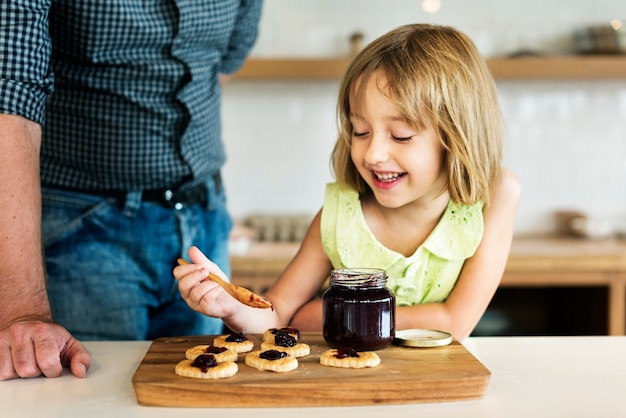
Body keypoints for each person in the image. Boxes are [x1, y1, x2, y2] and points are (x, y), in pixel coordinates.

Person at [174, 23, 520, 341]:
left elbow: (455, 322)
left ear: (457, 136)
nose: (373, 154)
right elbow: (277, 316)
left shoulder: (496, 195)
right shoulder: (340, 215)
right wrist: (232, 307)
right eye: (360, 131)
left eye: (400, 136)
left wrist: (321, 315)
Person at [0, 1, 263, 380]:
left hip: (202, 215)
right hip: (85, 227)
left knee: (200, 388)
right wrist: (23, 313)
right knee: (92, 395)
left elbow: (223, 61)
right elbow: (11, 89)